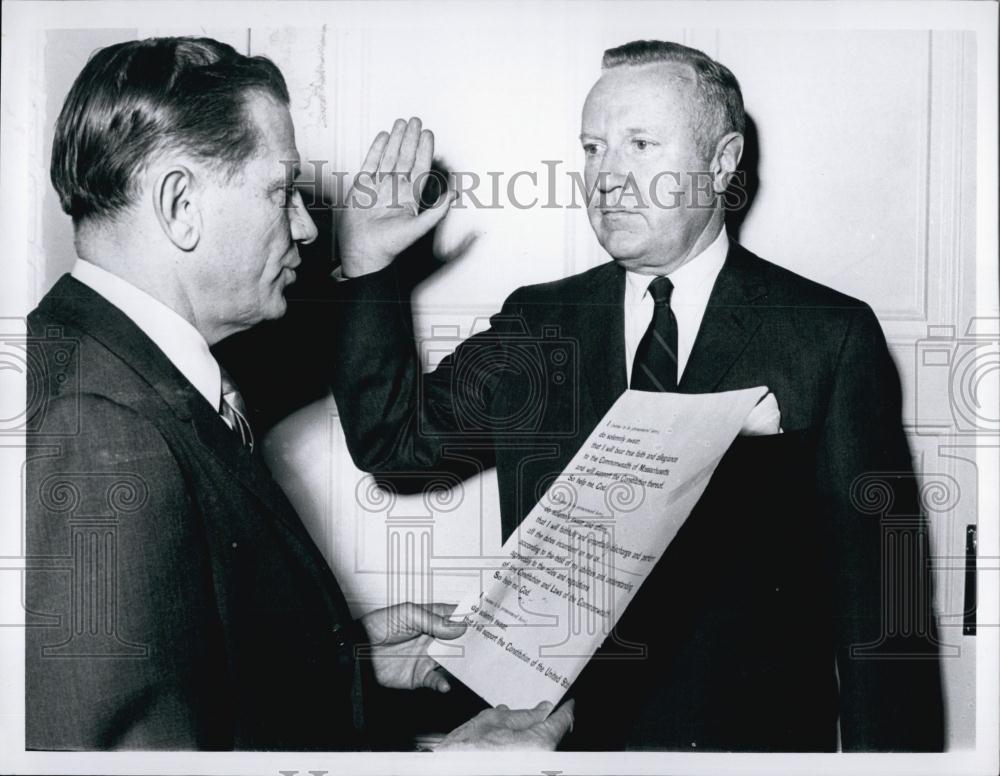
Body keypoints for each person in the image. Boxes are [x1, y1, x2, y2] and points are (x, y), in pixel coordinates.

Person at [332, 40, 945, 751]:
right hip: (554, 750)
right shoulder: (540, 321)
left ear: (723, 162)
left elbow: (884, 607)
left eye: (641, 144)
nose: (607, 177)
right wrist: (368, 264)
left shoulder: (826, 336)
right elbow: (396, 447)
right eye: (593, 147)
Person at [25, 36, 573, 751]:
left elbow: (186, 673)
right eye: (281, 191)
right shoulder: (98, 428)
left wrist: (338, 655)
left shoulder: (99, 366)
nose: (307, 226)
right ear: (180, 204)